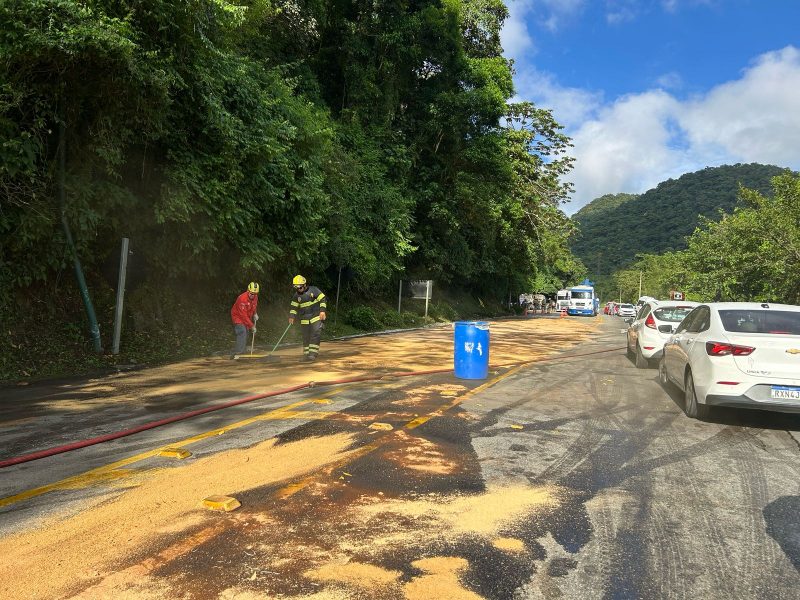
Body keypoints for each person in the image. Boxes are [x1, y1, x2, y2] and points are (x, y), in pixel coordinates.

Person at [288, 275, 326, 361]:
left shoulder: (314, 290)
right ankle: (306, 355)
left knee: (315, 335)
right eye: (296, 287)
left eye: (300, 287)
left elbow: (323, 299)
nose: (298, 289)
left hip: (315, 317)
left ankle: (312, 354)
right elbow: (293, 307)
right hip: (304, 320)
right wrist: (291, 316)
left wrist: (322, 311)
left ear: (304, 284)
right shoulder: (296, 296)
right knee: (306, 337)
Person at [230, 282, 259, 359]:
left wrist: (255, 314)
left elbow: (254, 305)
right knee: (242, 331)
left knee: (246, 333)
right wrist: (252, 326)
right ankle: (238, 353)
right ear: (248, 291)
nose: (253, 295)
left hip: (246, 316)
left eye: (255, 294)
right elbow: (243, 316)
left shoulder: (255, 297)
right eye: (251, 293)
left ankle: (241, 350)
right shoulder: (242, 299)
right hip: (238, 316)